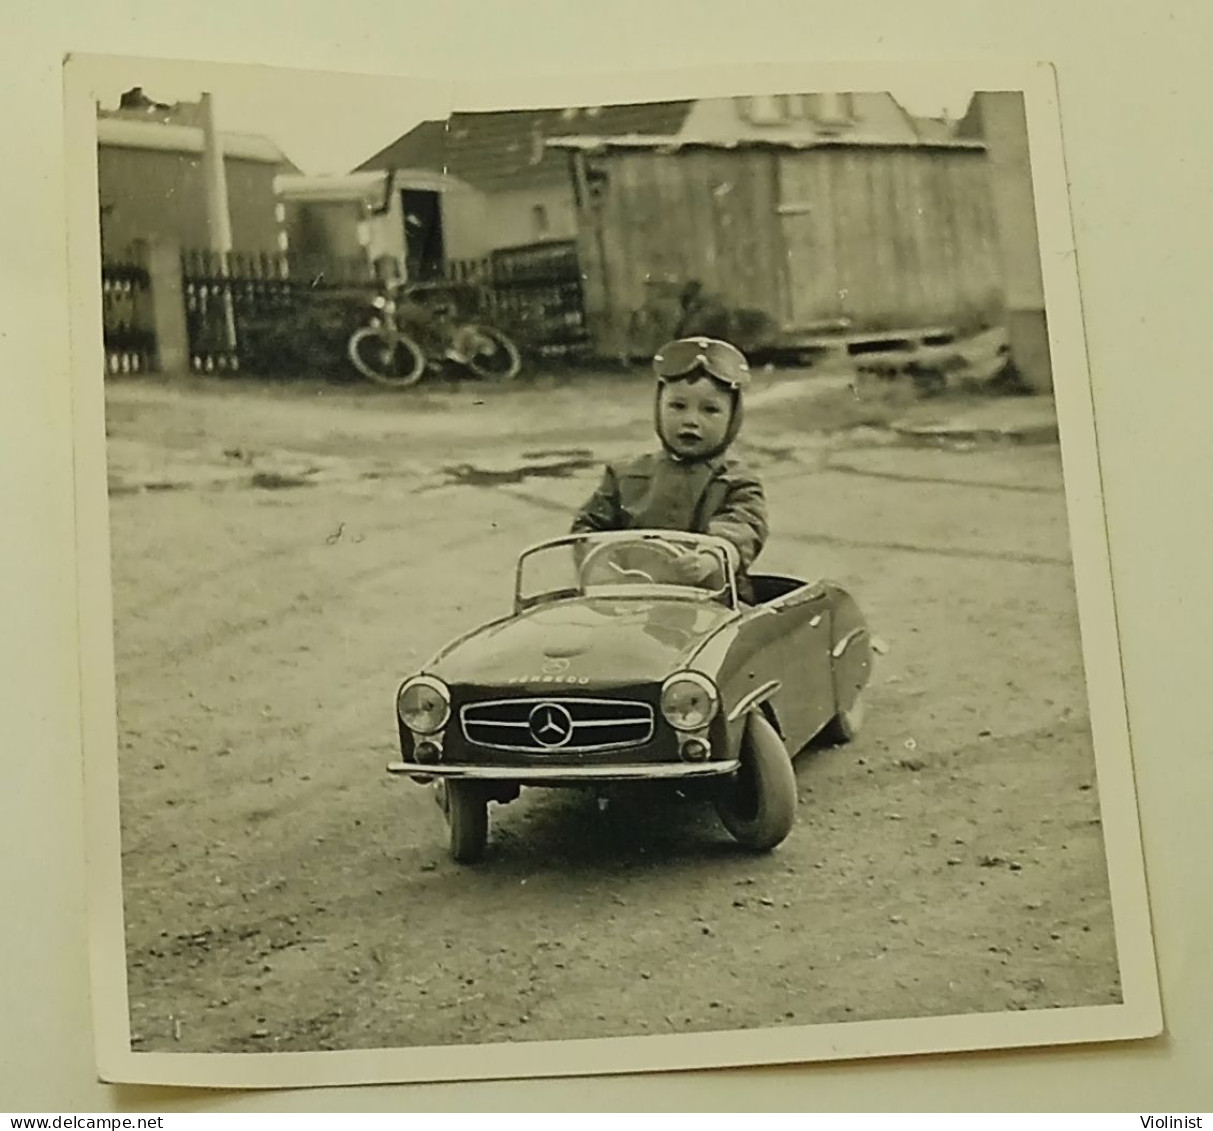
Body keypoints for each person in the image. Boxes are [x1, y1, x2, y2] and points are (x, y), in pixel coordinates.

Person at [570, 336, 767, 603]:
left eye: (710, 410)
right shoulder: (625, 473)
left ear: (733, 419)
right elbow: (587, 526)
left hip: (710, 603)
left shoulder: (737, 482)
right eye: (677, 406)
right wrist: (605, 568)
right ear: (658, 408)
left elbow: (743, 528)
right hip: (629, 599)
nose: (691, 421)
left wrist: (713, 558)